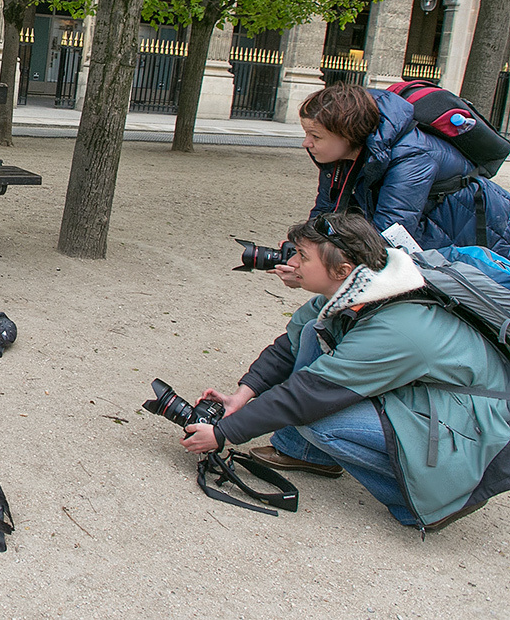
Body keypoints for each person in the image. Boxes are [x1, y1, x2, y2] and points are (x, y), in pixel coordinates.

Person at [181, 212, 510, 531]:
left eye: (302, 257)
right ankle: (307, 454)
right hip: (438, 394)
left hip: (475, 428)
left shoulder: (396, 329)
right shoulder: (365, 284)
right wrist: (242, 395)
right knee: (314, 330)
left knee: (317, 419)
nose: (290, 263)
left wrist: (224, 433)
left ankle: (431, 500)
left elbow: (307, 395)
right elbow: (291, 344)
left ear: (342, 269)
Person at [273, 83, 510, 287]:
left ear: (347, 134)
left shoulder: (412, 155)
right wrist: (298, 251)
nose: (306, 143)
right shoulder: (342, 157)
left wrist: (313, 269)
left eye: (316, 136)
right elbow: (327, 212)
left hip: (488, 233)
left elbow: (387, 237)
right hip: (443, 236)